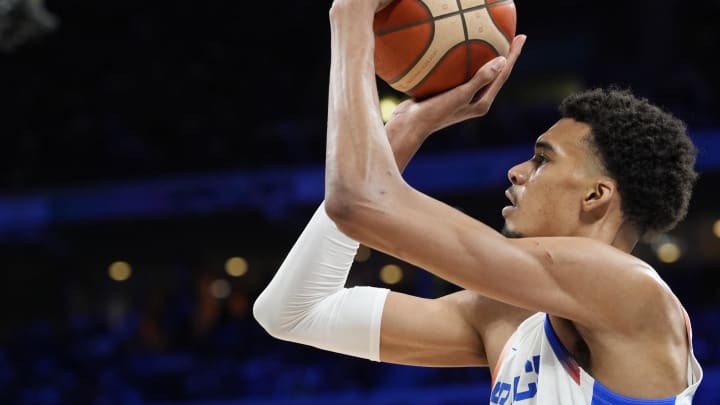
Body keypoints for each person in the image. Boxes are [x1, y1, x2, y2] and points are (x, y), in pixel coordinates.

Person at [253, 0, 704, 403]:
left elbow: (358, 201)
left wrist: (351, 18)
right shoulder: (507, 317)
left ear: (595, 195)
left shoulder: (630, 288)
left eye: (542, 160)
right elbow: (293, 312)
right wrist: (407, 127)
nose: (517, 171)